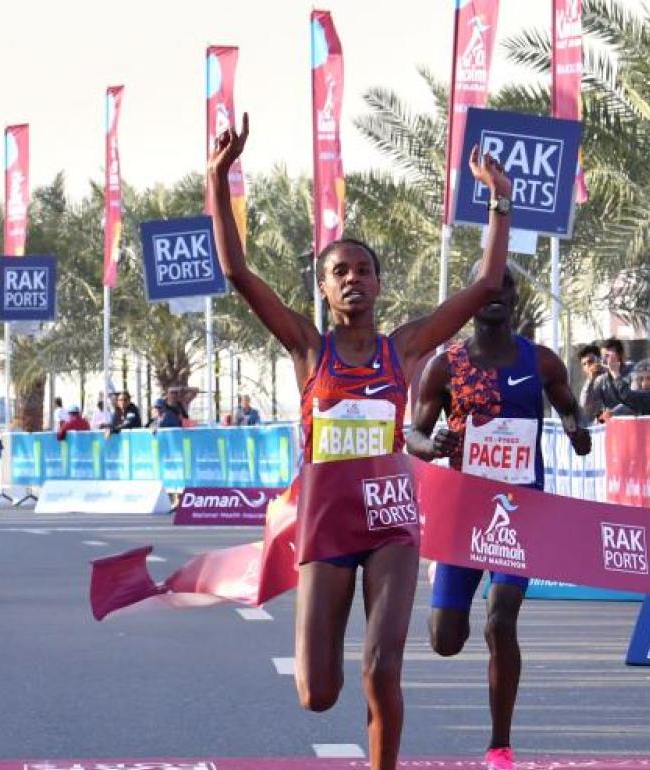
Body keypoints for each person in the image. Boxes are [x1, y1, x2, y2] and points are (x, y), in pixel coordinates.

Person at [208, 112, 510, 770]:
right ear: (323, 287)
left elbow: (486, 285)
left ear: (378, 284)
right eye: (340, 271)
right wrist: (218, 177)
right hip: (325, 521)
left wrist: (499, 200)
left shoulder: (400, 349)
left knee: (382, 666)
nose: (353, 279)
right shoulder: (305, 347)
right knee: (318, 693)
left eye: (364, 270)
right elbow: (236, 273)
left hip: (390, 520)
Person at [405, 268, 591, 770]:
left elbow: (572, 410)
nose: (494, 298)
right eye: (484, 290)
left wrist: (578, 432)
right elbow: (414, 435)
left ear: (513, 298)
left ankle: (499, 744)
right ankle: (441, 577)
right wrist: (432, 444)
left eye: (503, 290)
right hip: (462, 511)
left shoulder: (542, 361)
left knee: (500, 620)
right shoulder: (446, 366)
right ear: (469, 300)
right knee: (446, 640)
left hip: (520, 509)